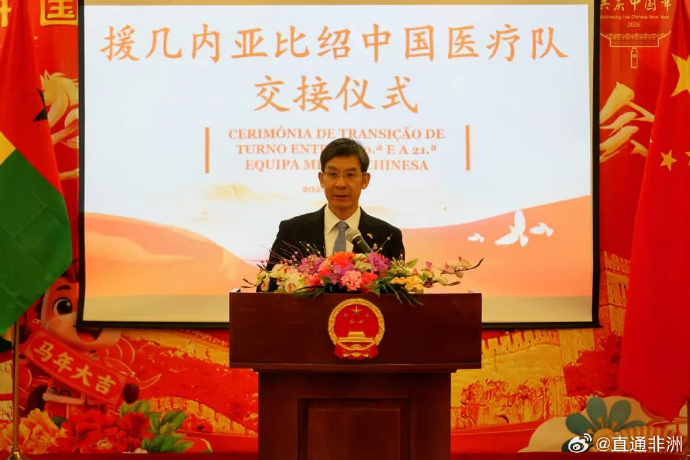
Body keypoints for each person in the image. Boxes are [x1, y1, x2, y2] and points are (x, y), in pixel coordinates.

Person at [262, 138, 405, 282]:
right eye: (332, 174)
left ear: (365, 180)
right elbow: (267, 289)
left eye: (350, 175)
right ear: (321, 179)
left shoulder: (388, 237)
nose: (340, 184)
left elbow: (398, 293)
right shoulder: (292, 232)